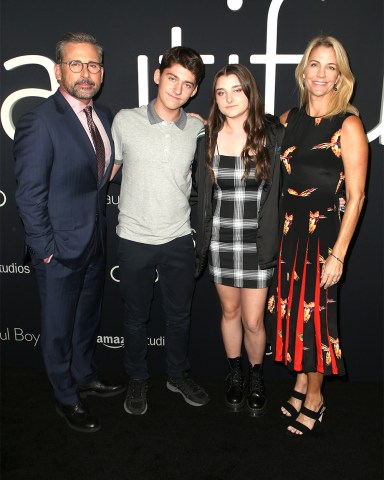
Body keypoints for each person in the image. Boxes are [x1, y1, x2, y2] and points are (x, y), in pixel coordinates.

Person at [14, 32, 125, 433]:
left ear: (102, 72)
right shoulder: (40, 120)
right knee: (59, 327)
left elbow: (104, 172)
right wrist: (45, 250)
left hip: (95, 241)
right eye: (75, 64)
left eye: (93, 64)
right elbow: (28, 194)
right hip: (58, 250)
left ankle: (84, 375)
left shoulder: (105, 116)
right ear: (59, 69)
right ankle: (65, 396)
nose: (85, 72)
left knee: (85, 319)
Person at [267, 35, 368, 435]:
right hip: (290, 233)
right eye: (315, 65)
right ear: (303, 70)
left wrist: (339, 254)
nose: (321, 74)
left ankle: (315, 397)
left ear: (341, 76)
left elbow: (357, 196)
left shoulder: (349, 124)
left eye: (331, 67)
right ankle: (299, 382)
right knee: (293, 313)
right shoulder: (289, 119)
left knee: (316, 321)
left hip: (323, 237)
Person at [111, 46, 209, 415]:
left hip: (179, 238)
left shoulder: (199, 128)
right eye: (172, 78)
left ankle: (177, 375)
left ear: (195, 90)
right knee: (135, 317)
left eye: (187, 84)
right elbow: (109, 171)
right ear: (157, 76)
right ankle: (137, 380)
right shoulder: (124, 119)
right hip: (134, 237)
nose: (177, 89)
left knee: (179, 316)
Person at [192, 64, 285, 416]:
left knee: (253, 321)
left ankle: (256, 375)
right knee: (229, 311)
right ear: (214, 98)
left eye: (236, 90)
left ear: (250, 92)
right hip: (220, 242)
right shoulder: (207, 138)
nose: (229, 98)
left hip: (259, 242)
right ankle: (235, 374)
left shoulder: (273, 134)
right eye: (220, 92)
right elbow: (199, 193)